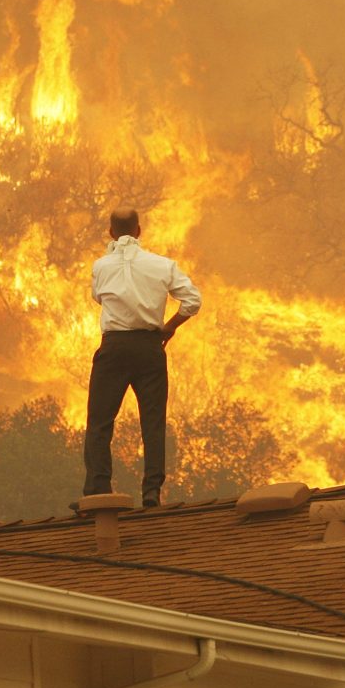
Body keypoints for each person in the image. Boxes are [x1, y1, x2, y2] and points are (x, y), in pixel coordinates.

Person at [82, 207, 201, 507]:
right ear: (139, 230)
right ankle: (151, 492)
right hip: (150, 347)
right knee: (153, 422)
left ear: (111, 232)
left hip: (114, 347)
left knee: (99, 422)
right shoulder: (163, 265)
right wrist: (170, 327)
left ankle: (98, 491)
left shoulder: (100, 266)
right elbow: (192, 300)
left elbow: (98, 297)